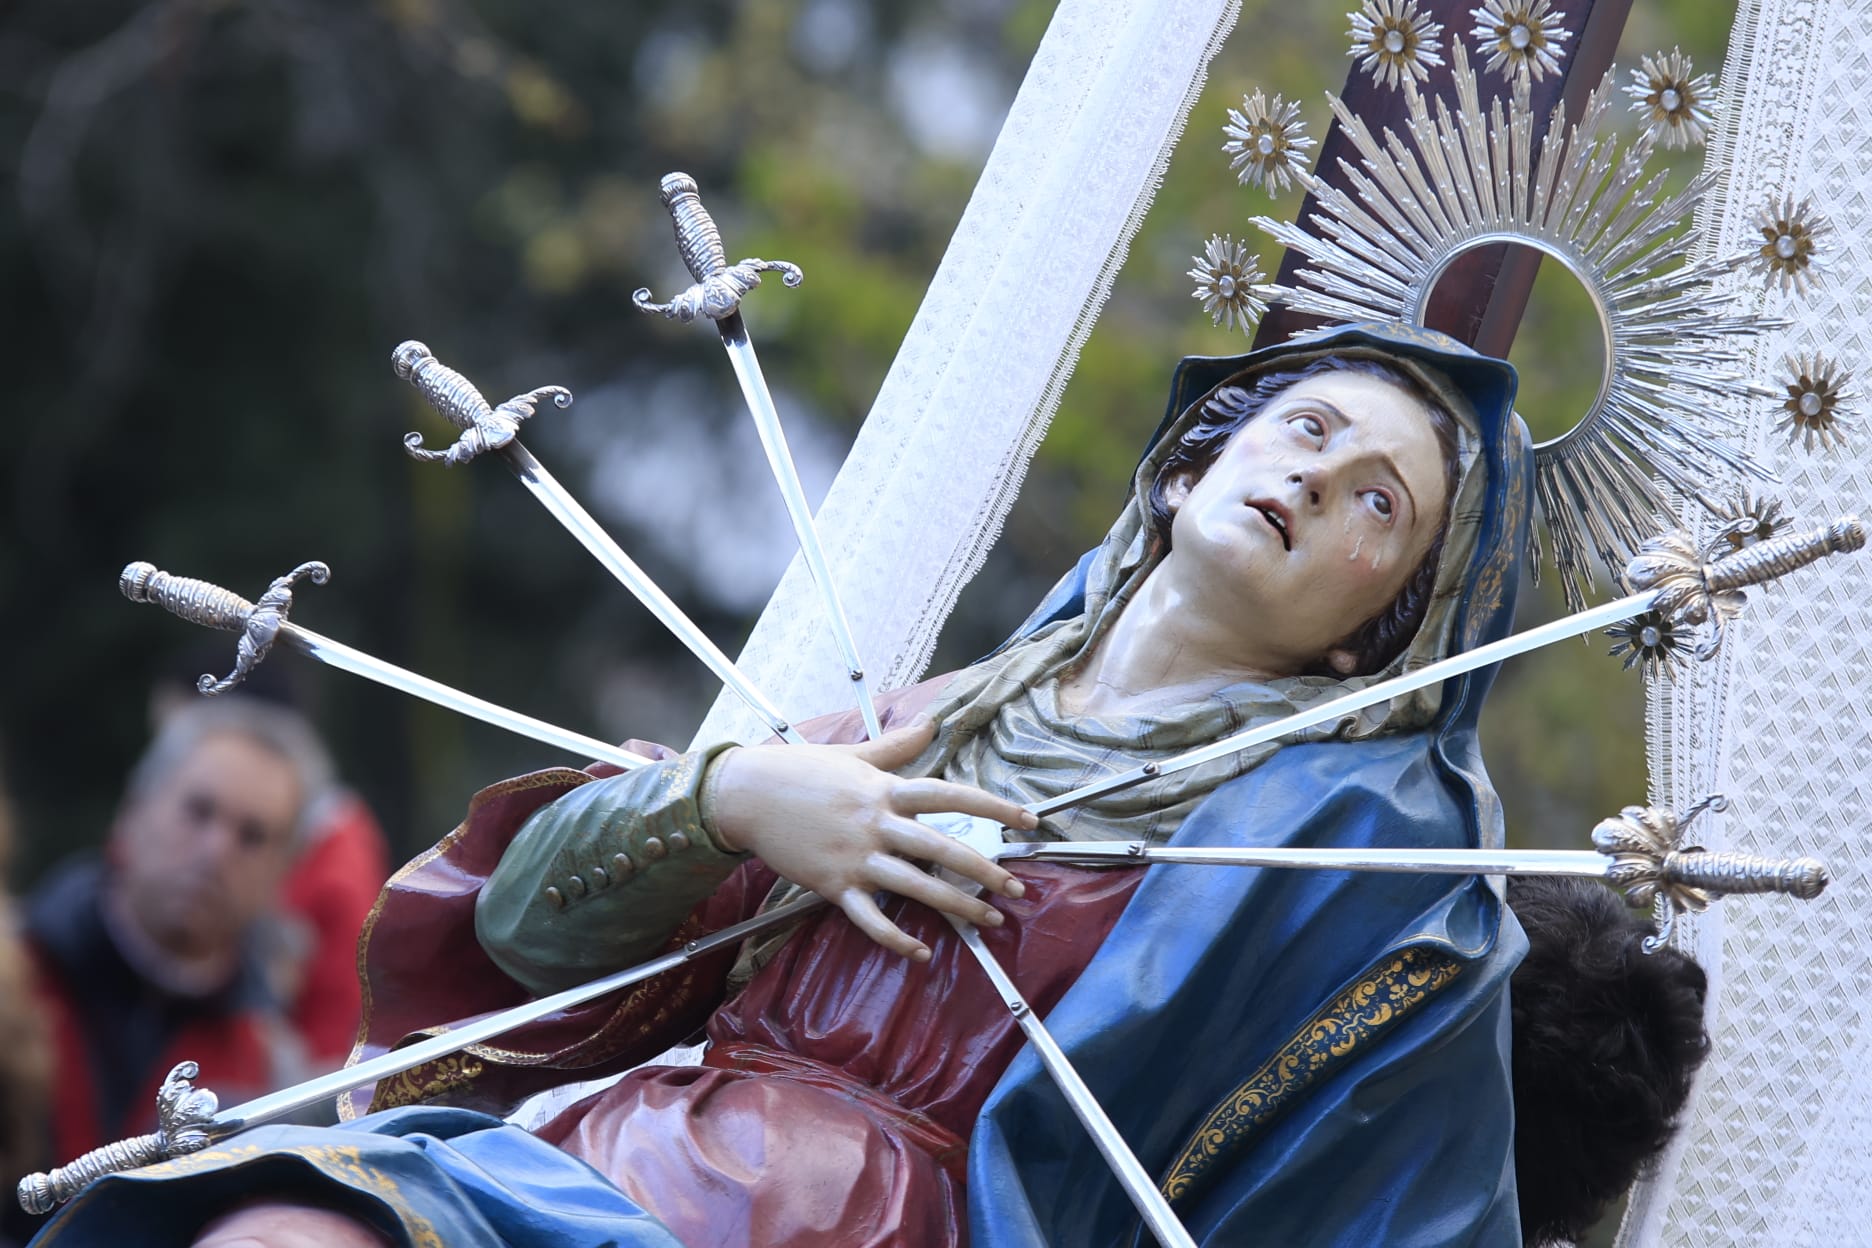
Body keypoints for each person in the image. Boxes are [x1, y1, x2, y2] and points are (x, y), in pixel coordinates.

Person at [32, 322, 1536, 1246]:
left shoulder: (1323, 877)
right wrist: (731, 801)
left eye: (1378, 505)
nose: (1318, 478)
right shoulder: (925, 717)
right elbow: (521, 946)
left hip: (851, 1226)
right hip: (615, 1152)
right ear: (1186, 466)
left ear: (1379, 637)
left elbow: (1378, 1189)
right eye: (1308, 430)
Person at [22, 698, 332, 1169]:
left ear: (281, 873)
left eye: (251, 836)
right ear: (133, 811)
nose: (215, 850)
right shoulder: (15, 983)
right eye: (198, 811)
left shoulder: (270, 1078)